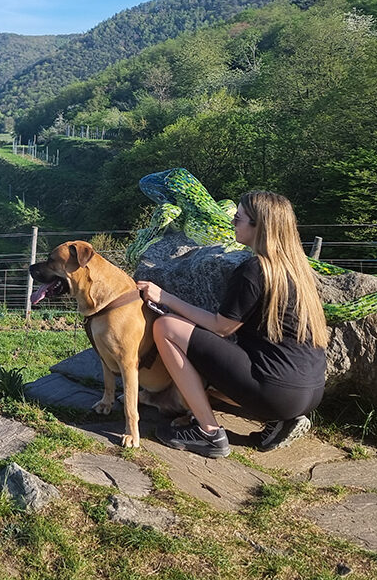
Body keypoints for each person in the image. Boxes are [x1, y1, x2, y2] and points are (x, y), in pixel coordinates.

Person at [136, 190, 328, 458]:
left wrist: (164, 297)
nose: (232, 224)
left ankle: (209, 433)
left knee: (166, 328)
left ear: (258, 226)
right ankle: (281, 420)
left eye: (238, 219)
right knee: (212, 370)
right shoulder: (299, 272)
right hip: (310, 394)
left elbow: (221, 327)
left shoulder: (255, 269)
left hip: (275, 391)